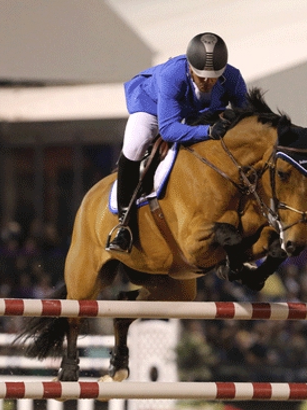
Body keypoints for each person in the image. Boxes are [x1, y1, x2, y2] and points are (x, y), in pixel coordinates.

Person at [106, 32, 248, 253]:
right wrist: (209, 130)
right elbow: (169, 129)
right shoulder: (171, 76)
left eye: (214, 77)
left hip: (197, 112)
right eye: (202, 77)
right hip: (152, 106)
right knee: (135, 145)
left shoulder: (233, 77)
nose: (209, 83)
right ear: (191, 68)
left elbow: (246, 117)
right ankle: (124, 226)